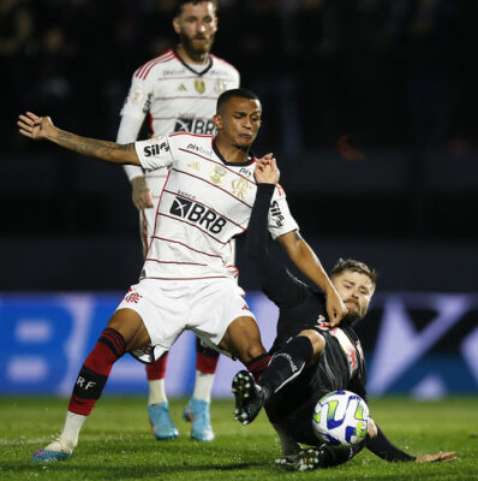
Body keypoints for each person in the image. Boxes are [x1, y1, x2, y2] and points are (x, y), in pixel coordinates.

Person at [18, 87, 348, 463]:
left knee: (258, 358)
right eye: (240, 116)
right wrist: (54, 133)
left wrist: (329, 290)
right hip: (161, 282)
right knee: (108, 344)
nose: (249, 124)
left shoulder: (264, 183)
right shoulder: (183, 146)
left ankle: (290, 444)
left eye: (255, 118)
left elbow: (295, 244)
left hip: (215, 286)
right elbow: (117, 152)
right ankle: (65, 441)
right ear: (218, 121)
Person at [231, 164, 457, 471]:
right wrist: (265, 189)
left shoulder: (356, 351)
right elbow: (257, 252)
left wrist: (410, 461)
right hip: (282, 397)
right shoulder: (302, 299)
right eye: (347, 285)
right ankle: (258, 394)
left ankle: (314, 459)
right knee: (314, 338)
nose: (355, 294)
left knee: (360, 416)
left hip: (311, 422)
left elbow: (365, 422)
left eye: (364, 291)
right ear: (329, 285)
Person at [116, 0, 240, 442]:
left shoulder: (230, 77)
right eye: (192, 18)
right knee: (161, 298)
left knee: (219, 294)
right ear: (177, 25)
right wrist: (135, 179)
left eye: (207, 18)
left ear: (216, 24)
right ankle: (157, 403)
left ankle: (202, 404)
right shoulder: (152, 74)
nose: (200, 25)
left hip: (212, 199)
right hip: (162, 197)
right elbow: (126, 136)